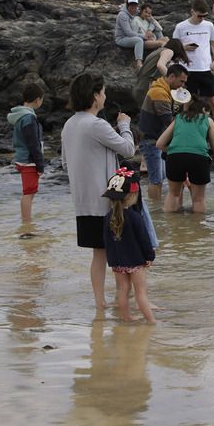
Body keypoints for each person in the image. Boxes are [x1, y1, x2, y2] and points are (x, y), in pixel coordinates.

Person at [61, 74, 137, 310]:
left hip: (82, 201)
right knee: (119, 252)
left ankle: (100, 303)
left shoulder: (69, 124)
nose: (104, 96)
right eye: (102, 92)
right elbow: (128, 149)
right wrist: (125, 126)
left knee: (99, 254)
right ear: (95, 96)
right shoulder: (97, 124)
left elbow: (65, 163)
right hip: (107, 201)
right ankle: (121, 300)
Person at [101, 166, 157, 323]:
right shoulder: (134, 217)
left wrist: (112, 261)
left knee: (123, 291)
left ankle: (126, 317)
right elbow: (144, 240)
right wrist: (150, 256)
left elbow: (106, 242)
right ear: (132, 196)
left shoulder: (107, 217)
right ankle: (151, 320)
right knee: (141, 292)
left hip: (117, 263)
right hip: (135, 262)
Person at [156, 90, 214, 213]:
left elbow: (159, 144)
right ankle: (198, 229)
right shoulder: (208, 120)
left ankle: (172, 227)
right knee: (199, 199)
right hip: (198, 158)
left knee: (173, 194)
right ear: (204, 110)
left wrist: (174, 150)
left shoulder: (178, 118)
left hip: (174, 157)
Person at [172, 0, 214, 144]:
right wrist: (184, 47)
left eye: (204, 16)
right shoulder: (181, 27)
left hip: (205, 69)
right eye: (199, 16)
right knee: (187, 102)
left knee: (213, 102)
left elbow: (213, 42)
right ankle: (183, 134)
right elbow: (173, 47)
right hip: (188, 70)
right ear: (192, 12)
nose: (202, 19)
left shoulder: (208, 25)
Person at [137, 63, 189, 202]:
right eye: (181, 81)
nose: (182, 86)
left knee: (162, 176)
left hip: (156, 140)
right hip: (151, 141)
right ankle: (156, 211)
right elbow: (169, 122)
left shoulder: (163, 89)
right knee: (155, 180)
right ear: (171, 77)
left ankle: (158, 208)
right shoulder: (159, 93)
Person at [8, 81, 46, 225]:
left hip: (22, 157)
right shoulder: (29, 118)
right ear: (38, 100)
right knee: (28, 193)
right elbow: (33, 143)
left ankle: (27, 222)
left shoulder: (19, 116)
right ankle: (27, 224)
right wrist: (40, 165)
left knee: (29, 192)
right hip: (29, 160)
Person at [134, 38, 188, 103]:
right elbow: (160, 65)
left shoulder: (157, 51)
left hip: (139, 87)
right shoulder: (169, 51)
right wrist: (171, 79)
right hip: (147, 88)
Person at [114, 0, 145, 68]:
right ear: (127, 5)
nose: (133, 7)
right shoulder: (122, 15)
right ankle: (139, 63)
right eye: (131, 5)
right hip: (122, 38)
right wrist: (143, 36)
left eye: (135, 5)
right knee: (139, 40)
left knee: (155, 32)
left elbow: (147, 15)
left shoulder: (136, 11)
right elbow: (128, 32)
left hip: (132, 35)